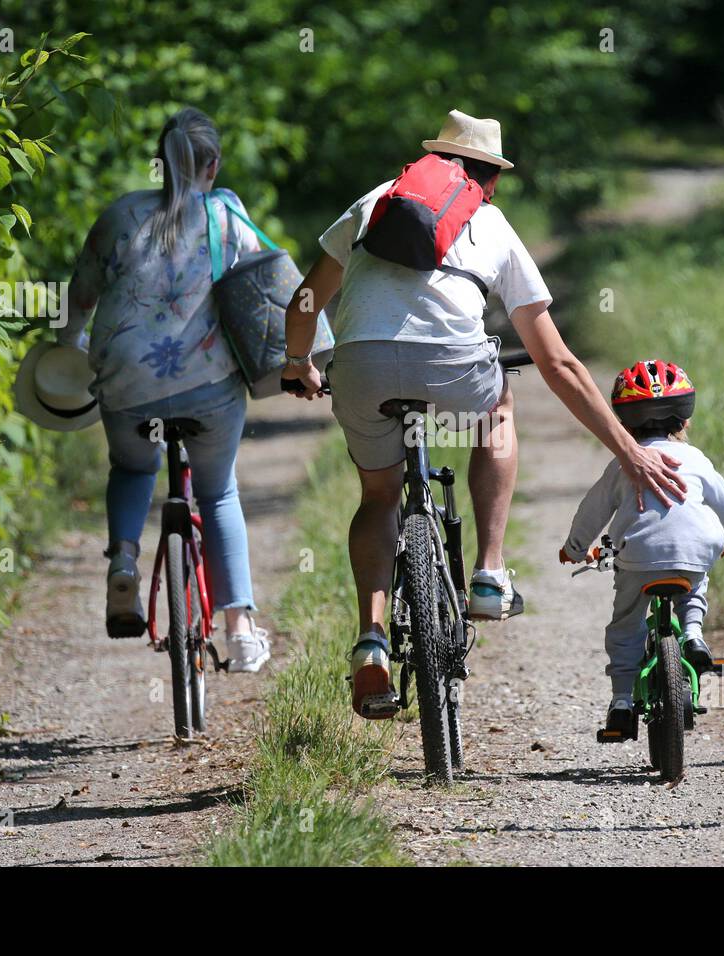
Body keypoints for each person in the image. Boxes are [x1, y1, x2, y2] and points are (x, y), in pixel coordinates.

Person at [281, 109, 687, 718]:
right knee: (497, 405)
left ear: (430, 161)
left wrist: (299, 364)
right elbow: (559, 364)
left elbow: (306, 300)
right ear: (487, 178)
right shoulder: (490, 221)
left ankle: (370, 641)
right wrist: (628, 452)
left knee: (379, 497)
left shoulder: (374, 203)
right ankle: (490, 574)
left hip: (360, 363)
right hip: (452, 367)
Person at [55, 107, 271, 672]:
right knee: (218, 493)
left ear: (161, 159)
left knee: (131, 469)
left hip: (127, 385)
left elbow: (78, 298)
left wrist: (69, 346)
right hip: (209, 390)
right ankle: (241, 629)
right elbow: (265, 289)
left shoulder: (121, 218)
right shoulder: (227, 217)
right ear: (213, 165)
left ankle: (123, 564)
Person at [559, 359, 724, 737]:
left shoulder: (623, 464)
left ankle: (620, 702)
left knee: (626, 625)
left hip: (636, 557)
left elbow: (593, 510)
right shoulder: (697, 459)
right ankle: (694, 634)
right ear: (684, 420)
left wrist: (574, 547)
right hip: (695, 552)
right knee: (694, 583)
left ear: (623, 423)